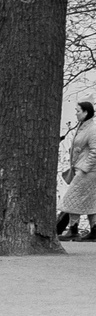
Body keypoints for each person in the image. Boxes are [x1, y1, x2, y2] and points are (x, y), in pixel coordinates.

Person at [61, 101, 96, 240]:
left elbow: (95, 151)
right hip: (82, 169)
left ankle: (73, 229)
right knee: (90, 200)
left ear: (86, 112)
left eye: (78, 111)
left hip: (88, 171)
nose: (75, 113)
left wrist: (84, 168)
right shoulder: (82, 127)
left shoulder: (92, 129)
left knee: (71, 198)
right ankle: (94, 231)